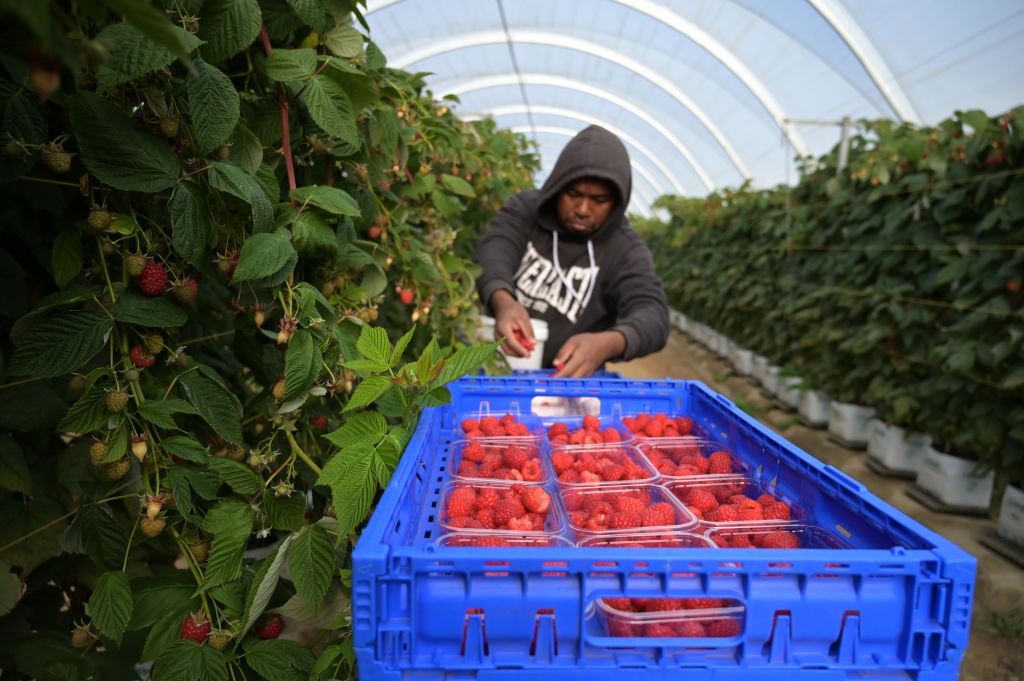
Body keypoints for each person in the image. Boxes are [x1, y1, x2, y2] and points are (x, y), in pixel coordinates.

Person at [474, 124, 670, 378]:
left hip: (572, 383)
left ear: (617, 202)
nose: (583, 209)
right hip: (500, 370)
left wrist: (607, 343)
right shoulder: (524, 210)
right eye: (573, 194)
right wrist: (504, 303)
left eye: (599, 200)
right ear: (557, 186)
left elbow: (653, 314)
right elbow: (494, 252)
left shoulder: (624, 249)